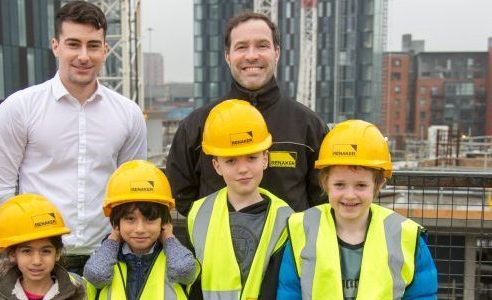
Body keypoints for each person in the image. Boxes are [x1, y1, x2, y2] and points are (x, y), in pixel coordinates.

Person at [0, 1, 147, 274]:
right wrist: (29, 250)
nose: (84, 55)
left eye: (93, 45)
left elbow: (132, 191)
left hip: (110, 257)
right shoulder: (19, 108)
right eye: (73, 44)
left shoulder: (128, 114)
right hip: (40, 262)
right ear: (55, 46)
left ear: (105, 49)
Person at [166, 11, 328, 216]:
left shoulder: (309, 126)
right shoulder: (197, 126)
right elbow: (180, 195)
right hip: (218, 248)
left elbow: (323, 201)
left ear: (276, 52)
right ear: (228, 56)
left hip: (290, 248)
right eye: (241, 47)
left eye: (262, 45)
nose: (252, 55)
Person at [277, 120, 438, 299]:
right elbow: (289, 292)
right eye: (339, 185)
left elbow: (422, 295)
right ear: (325, 183)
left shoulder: (405, 236)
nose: (349, 195)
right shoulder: (303, 230)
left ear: (378, 185)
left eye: (360, 185)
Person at [187, 100, 293, 299]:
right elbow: (194, 283)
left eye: (251, 158)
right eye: (231, 161)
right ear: (217, 166)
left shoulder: (285, 218)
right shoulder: (199, 213)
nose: (242, 169)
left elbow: (282, 285)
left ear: (265, 159)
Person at [83, 160, 199, 299]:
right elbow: (96, 276)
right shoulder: (107, 257)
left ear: (164, 222)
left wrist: (169, 237)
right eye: (130, 219)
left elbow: (184, 271)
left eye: (150, 219)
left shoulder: (175, 256)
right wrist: (113, 238)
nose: (140, 229)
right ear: (116, 223)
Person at [0, 194, 96, 300]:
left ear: (58, 253)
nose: (37, 261)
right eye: (27, 251)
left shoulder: (77, 295)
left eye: (45, 251)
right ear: (13, 254)